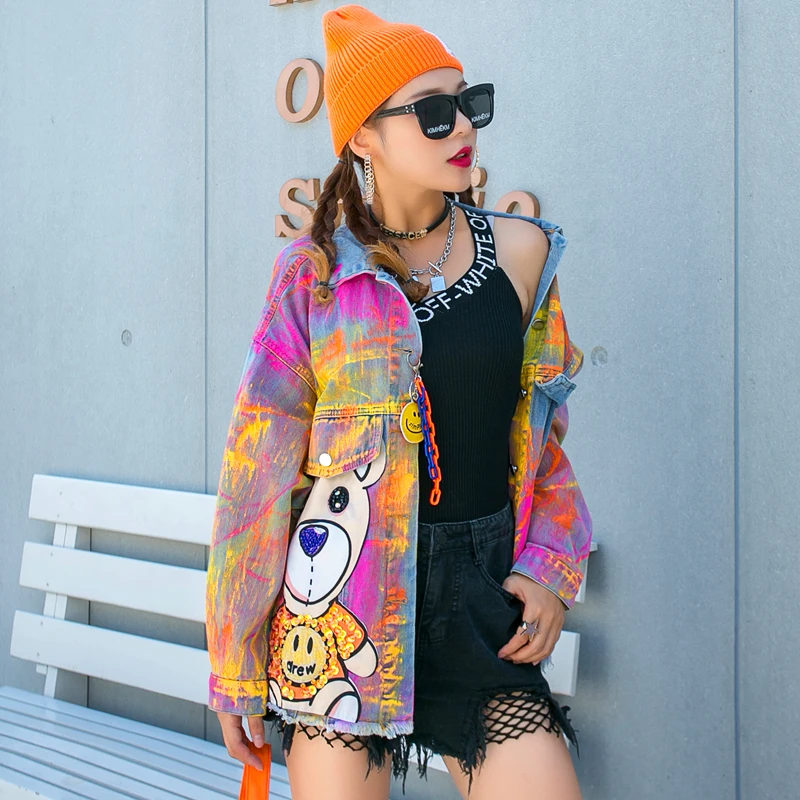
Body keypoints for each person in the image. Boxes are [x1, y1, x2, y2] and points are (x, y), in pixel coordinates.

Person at [205, 5, 592, 799]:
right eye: (433, 111)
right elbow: (256, 475)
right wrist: (234, 663)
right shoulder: (313, 277)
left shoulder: (522, 254)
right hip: (339, 614)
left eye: (469, 102)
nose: (464, 127)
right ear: (364, 138)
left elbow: (543, 441)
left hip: (482, 611)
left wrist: (550, 568)